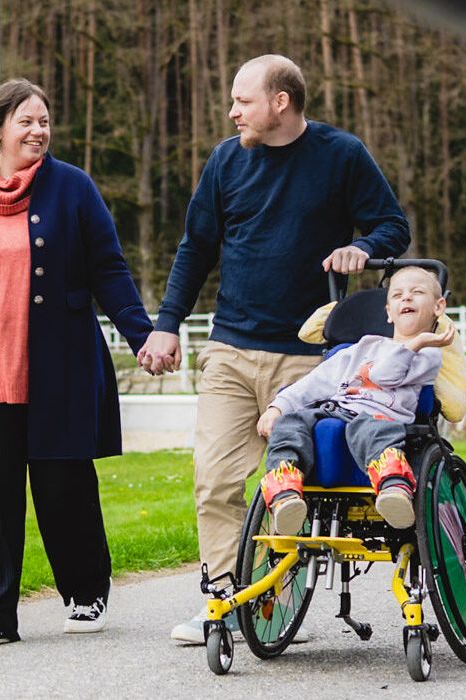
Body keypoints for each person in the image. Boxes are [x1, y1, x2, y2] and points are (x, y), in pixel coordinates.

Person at [134, 55, 413, 645]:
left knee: (292, 485)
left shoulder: (342, 155)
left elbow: (393, 226)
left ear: (280, 102)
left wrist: (361, 248)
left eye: (243, 100)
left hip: (310, 358)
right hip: (232, 347)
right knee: (214, 480)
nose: (232, 111)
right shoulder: (225, 161)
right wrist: (167, 323)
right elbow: (195, 248)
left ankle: (275, 604)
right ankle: (224, 598)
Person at [0, 79, 155, 649]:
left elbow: (109, 269)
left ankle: (87, 591)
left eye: (44, 121)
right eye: (26, 121)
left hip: (55, 367)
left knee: (63, 486)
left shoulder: (72, 187)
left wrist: (143, 335)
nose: (38, 131)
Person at [255, 266, 454, 534]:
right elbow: (315, 381)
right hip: (338, 408)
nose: (406, 298)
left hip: (380, 416)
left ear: (438, 307)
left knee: (370, 428)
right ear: (388, 312)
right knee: (290, 424)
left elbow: (384, 375)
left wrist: (413, 344)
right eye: (397, 295)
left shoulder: (428, 352)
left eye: (417, 292)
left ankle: (394, 486)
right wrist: (277, 407)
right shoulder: (361, 348)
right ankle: (285, 493)